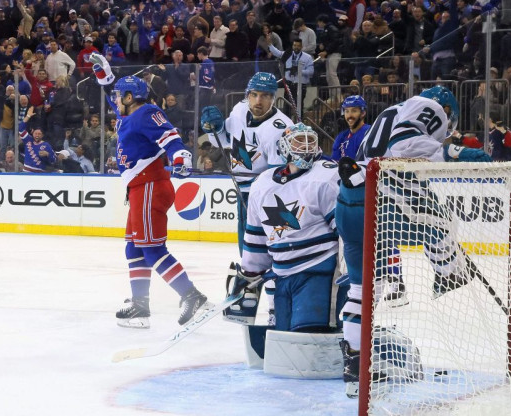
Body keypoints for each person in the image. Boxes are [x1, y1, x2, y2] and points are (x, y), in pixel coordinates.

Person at [334, 86, 492, 397]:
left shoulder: (390, 112)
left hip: (351, 201)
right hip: (385, 197)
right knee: (441, 222)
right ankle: (448, 272)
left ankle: (354, 365)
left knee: (364, 289)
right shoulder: (429, 105)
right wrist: (452, 152)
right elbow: (402, 146)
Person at [89, 53, 209, 328]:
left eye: (121, 96)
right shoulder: (129, 114)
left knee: (152, 249)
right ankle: (140, 306)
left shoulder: (146, 112)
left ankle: (192, 296)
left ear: (130, 97)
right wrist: (105, 77)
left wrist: (181, 156)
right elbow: (112, 96)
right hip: (139, 189)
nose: (116, 100)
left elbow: (169, 135)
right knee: (134, 248)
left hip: (150, 186)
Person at [200, 72, 294, 325]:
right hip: (243, 191)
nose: (259, 101)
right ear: (247, 96)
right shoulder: (240, 111)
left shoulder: (281, 129)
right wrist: (214, 129)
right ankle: (249, 297)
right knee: (249, 253)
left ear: (274, 98)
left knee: (275, 254)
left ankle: (276, 309)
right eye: (254, 95)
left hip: (269, 199)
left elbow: (278, 177)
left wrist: (259, 198)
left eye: (265, 96)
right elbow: (222, 139)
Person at [240, 124, 340, 332]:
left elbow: (346, 233)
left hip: (318, 271)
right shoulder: (262, 183)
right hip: (282, 276)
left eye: (310, 141)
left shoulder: (326, 177)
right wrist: (249, 274)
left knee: (308, 335)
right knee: (283, 336)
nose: (305, 147)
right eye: (298, 141)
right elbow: (257, 237)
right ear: (283, 147)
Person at [267, 39, 315, 118]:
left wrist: (299, 71)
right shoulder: (288, 54)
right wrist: (270, 45)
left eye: (298, 46)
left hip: (300, 85)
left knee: (299, 107)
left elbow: (311, 72)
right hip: (289, 84)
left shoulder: (308, 57)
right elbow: (277, 53)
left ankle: (299, 124)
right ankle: (287, 125)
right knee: (287, 107)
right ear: (292, 46)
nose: (296, 47)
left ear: (301, 47)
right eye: (294, 45)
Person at [20, 107, 57, 173]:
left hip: (38, 175)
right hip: (25, 173)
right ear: (32, 133)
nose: (37, 135)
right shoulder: (28, 140)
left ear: (42, 135)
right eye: (35, 133)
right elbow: (20, 128)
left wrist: (48, 154)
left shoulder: (46, 145)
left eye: (39, 134)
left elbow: (54, 160)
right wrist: (28, 116)